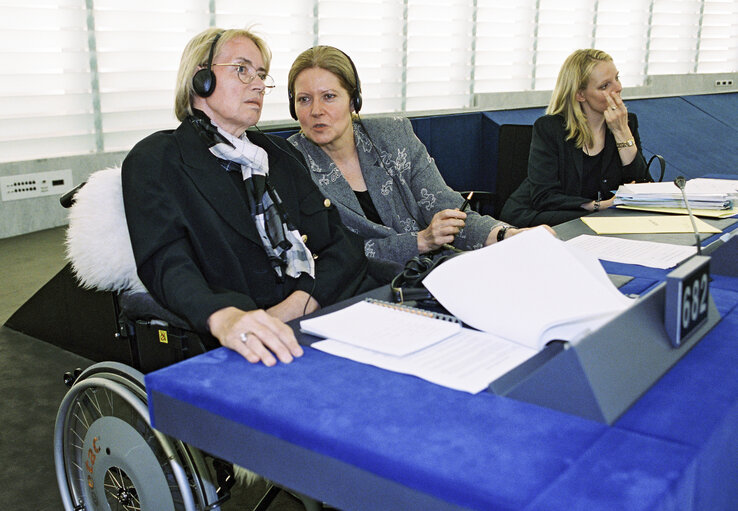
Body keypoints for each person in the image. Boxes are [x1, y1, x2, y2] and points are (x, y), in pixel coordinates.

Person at [121, 28, 378, 367]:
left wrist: (297, 305)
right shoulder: (157, 158)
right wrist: (223, 317)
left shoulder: (279, 155)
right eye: (242, 69)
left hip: (317, 314)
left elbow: (341, 245)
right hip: (243, 338)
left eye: (260, 74)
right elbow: (167, 263)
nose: (257, 84)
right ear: (202, 78)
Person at [287, 45, 536, 266]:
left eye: (329, 97)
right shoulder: (289, 162)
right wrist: (419, 241)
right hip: (358, 288)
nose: (316, 111)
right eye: (304, 99)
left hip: (427, 272)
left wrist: (505, 235)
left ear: (354, 101)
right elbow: (326, 256)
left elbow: (446, 208)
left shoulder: (393, 135)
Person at [499, 49, 651, 227]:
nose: (618, 88)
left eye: (617, 78)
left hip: (600, 220)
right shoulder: (550, 128)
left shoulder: (627, 123)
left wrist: (622, 132)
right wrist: (598, 206)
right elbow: (544, 197)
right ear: (580, 94)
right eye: (605, 86)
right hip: (544, 216)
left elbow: (643, 190)